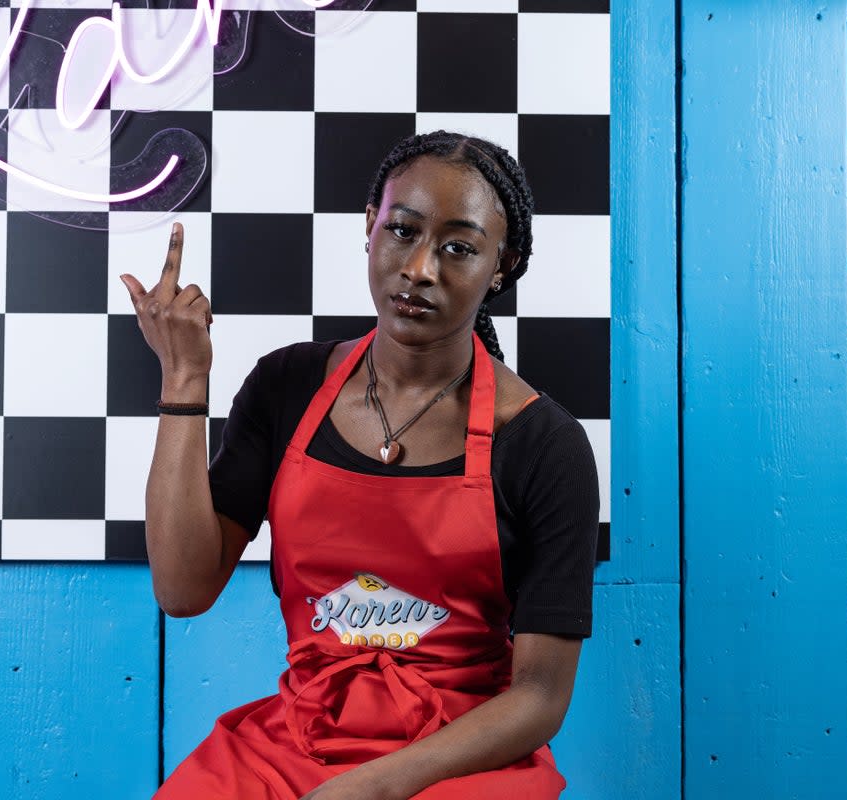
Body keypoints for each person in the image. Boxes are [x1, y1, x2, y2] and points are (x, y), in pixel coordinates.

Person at [119, 131, 599, 800]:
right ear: (369, 228)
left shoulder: (543, 444)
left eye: (458, 247)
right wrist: (183, 378)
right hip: (297, 739)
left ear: (501, 264)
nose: (421, 267)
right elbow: (182, 589)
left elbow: (541, 697)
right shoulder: (286, 386)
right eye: (402, 230)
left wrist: (374, 787)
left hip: (458, 759)